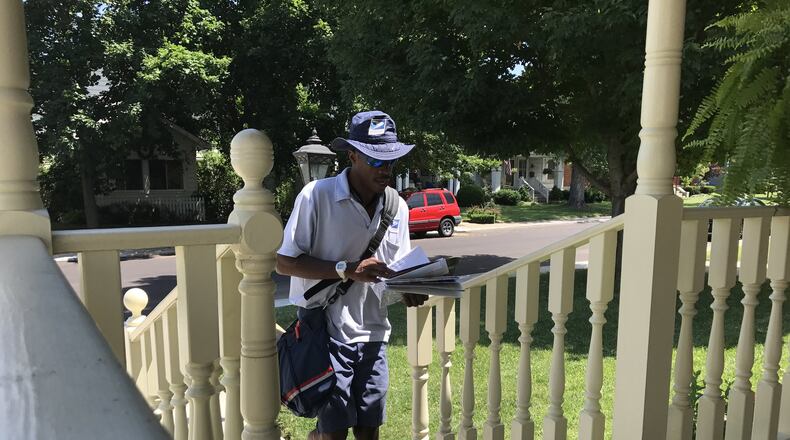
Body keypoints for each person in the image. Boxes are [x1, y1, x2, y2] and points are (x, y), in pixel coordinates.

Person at [276, 110, 427, 440]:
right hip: (326, 330)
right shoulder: (316, 195)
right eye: (375, 160)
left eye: (391, 160)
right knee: (334, 432)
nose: (385, 169)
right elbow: (284, 263)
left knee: (369, 429)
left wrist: (412, 286)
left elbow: (396, 265)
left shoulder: (396, 206)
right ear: (352, 155)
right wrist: (347, 270)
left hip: (374, 332)